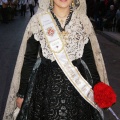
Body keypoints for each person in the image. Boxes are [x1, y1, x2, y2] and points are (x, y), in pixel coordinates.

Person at [3, 0, 111, 120]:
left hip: (78, 94)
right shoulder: (38, 21)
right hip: (44, 90)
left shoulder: (82, 21)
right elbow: (29, 59)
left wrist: (98, 87)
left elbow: (90, 58)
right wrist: (22, 93)